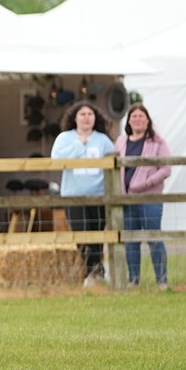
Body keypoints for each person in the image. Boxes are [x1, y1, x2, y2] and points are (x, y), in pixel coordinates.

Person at [50, 101, 115, 286]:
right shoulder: (65, 138)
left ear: (96, 118)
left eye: (90, 114)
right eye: (82, 114)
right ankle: (90, 272)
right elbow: (56, 159)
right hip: (73, 195)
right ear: (74, 118)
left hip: (98, 194)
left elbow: (113, 161)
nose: (86, 118)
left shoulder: (102, 140)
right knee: (81, 233)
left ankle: (98, 270)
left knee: (97, 233)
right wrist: (79, 145)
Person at [114, 103, 172, 289]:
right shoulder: (121, 142)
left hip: (150, 199)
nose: (137, 119)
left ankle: (161, 280)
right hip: (126, 199)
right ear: (128, 121)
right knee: (131, 240)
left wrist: (143, 184)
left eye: (141, 116)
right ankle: (134, 279)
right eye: (134, 117)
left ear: (148, 120)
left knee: (153, 238)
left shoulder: (157, 142)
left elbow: (166, 169)